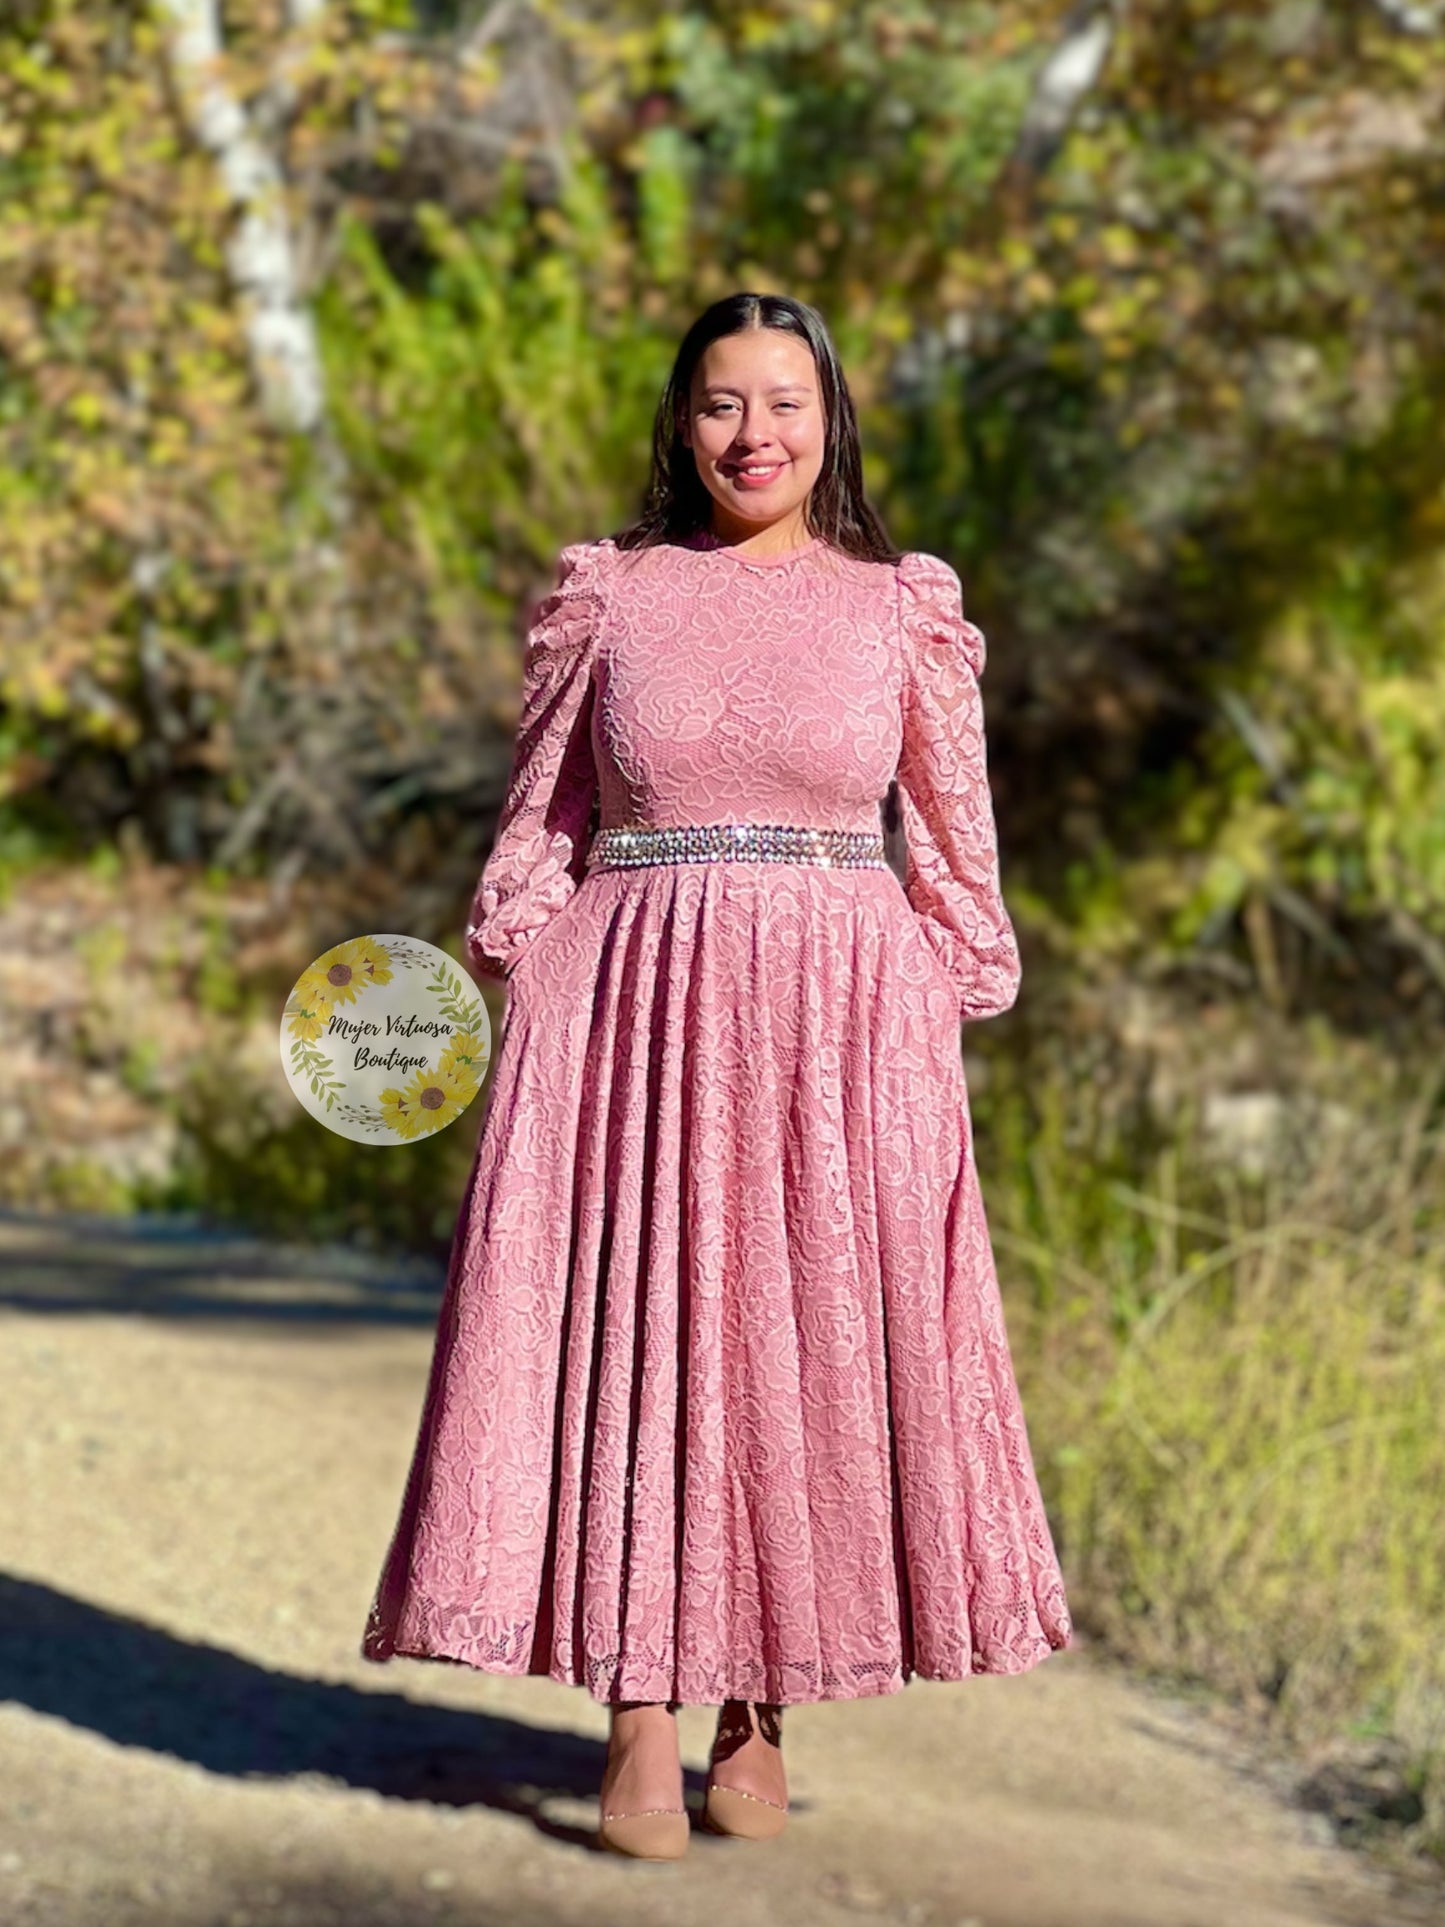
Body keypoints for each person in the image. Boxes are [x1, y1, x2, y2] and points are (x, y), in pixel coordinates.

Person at [361, 290, 1073, 1860]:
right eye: (719, 405)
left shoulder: (899, 607)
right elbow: (542, 819)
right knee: (640, 1333)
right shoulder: (608, 596)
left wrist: (942, 1003)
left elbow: (952, 840)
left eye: (783, 402)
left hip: (841, 1019)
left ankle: (763, 1700)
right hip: (627, 1005)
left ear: (829, 419)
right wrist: (512, 967)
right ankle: (638, 1702)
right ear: (679, 426)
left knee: (796, 1339)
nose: (754, 435)